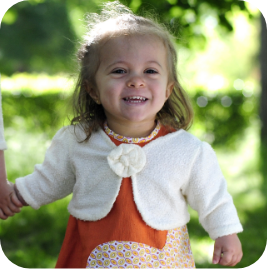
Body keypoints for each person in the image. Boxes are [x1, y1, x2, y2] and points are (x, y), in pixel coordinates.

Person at [0, 2, 243, 268]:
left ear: (167, 89)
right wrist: (16, 196)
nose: (136, 80)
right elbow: (51, 179)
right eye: (119, 71)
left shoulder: (187, 150)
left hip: (162, 258)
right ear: (93, 90)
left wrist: (225, 233)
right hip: (91, 254)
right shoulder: (77, 141)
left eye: (150, 71)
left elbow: (212, 197)